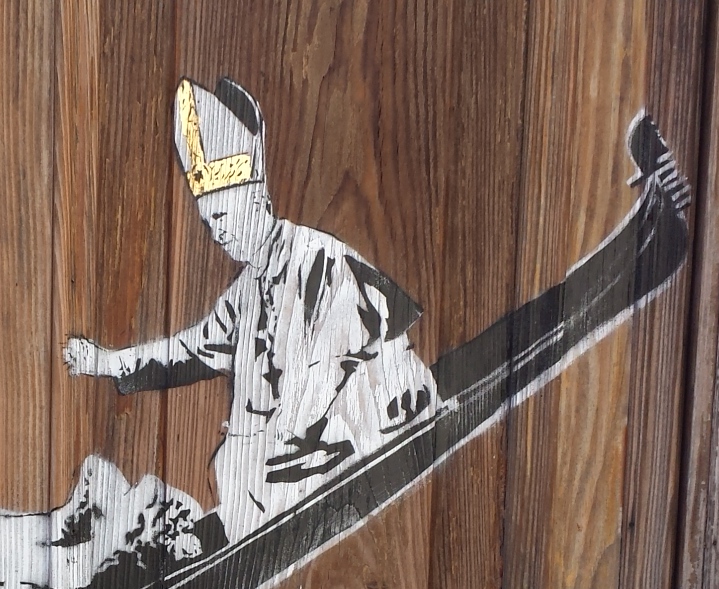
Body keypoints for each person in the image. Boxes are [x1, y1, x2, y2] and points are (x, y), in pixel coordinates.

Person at [65, 78, 441, 543]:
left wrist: (268, 440)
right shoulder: (244, 294)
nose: (218, 234)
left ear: (257, 198)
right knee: (239, 466)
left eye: (223, 217)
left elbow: (335, 363)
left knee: (254, 464)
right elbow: (187, 351)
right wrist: (106, 362)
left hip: (358, 435)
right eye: (209, 223)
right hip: (292, 459)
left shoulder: (316, 259)